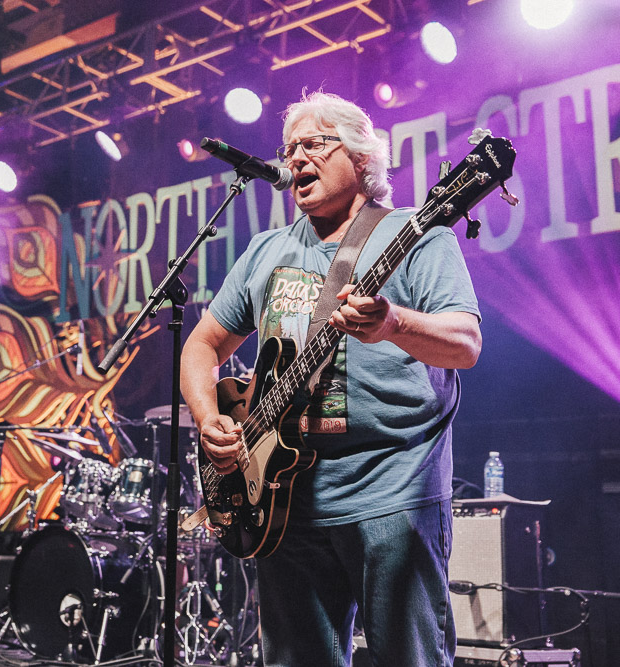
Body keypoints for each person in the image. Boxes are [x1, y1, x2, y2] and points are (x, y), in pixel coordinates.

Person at [180, 91, 482, 666]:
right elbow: (203, 344)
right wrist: (208, 417)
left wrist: (393, 322)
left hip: (392, 493)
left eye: (314, 144)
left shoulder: (419, 235)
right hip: (284, 501)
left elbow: (465, 345)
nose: (295, 158)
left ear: (363, 157)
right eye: (289, 148)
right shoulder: (267, 250)